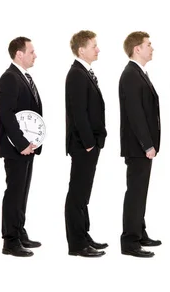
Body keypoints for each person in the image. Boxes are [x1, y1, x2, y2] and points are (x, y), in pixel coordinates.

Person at [0, 37, 43, 257]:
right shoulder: (9, 78)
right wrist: (22, 143)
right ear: (19, 54)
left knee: (22, 191)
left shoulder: (24, 77)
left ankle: (19, 231)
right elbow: (6, 115)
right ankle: (10, 240)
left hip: (28, 147)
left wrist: (32, 143)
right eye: (32, 51)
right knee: (14, 192)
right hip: (16, 148)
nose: (35, 55)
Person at [118, 31, 162, 258]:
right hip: (138, 147)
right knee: (135, 193)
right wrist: (147, 144)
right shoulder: (131, 75)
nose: (152, 48)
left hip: (142, 146)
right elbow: (135, 114)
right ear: (137, 49)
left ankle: (140, 232)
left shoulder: (139, 73)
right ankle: (130, 242)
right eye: (148, 44)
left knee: (140, 191)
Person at [64, 30, 108, 257]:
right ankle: (77, 244)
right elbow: (78, 113)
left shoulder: (85, 72)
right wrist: (90, 143)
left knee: (83, 194)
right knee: (77, 195)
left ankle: (84, 235)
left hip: (89, 143)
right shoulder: (76, 74)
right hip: (83, 145)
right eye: (94, 46)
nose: (98, 49)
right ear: (82, 50)